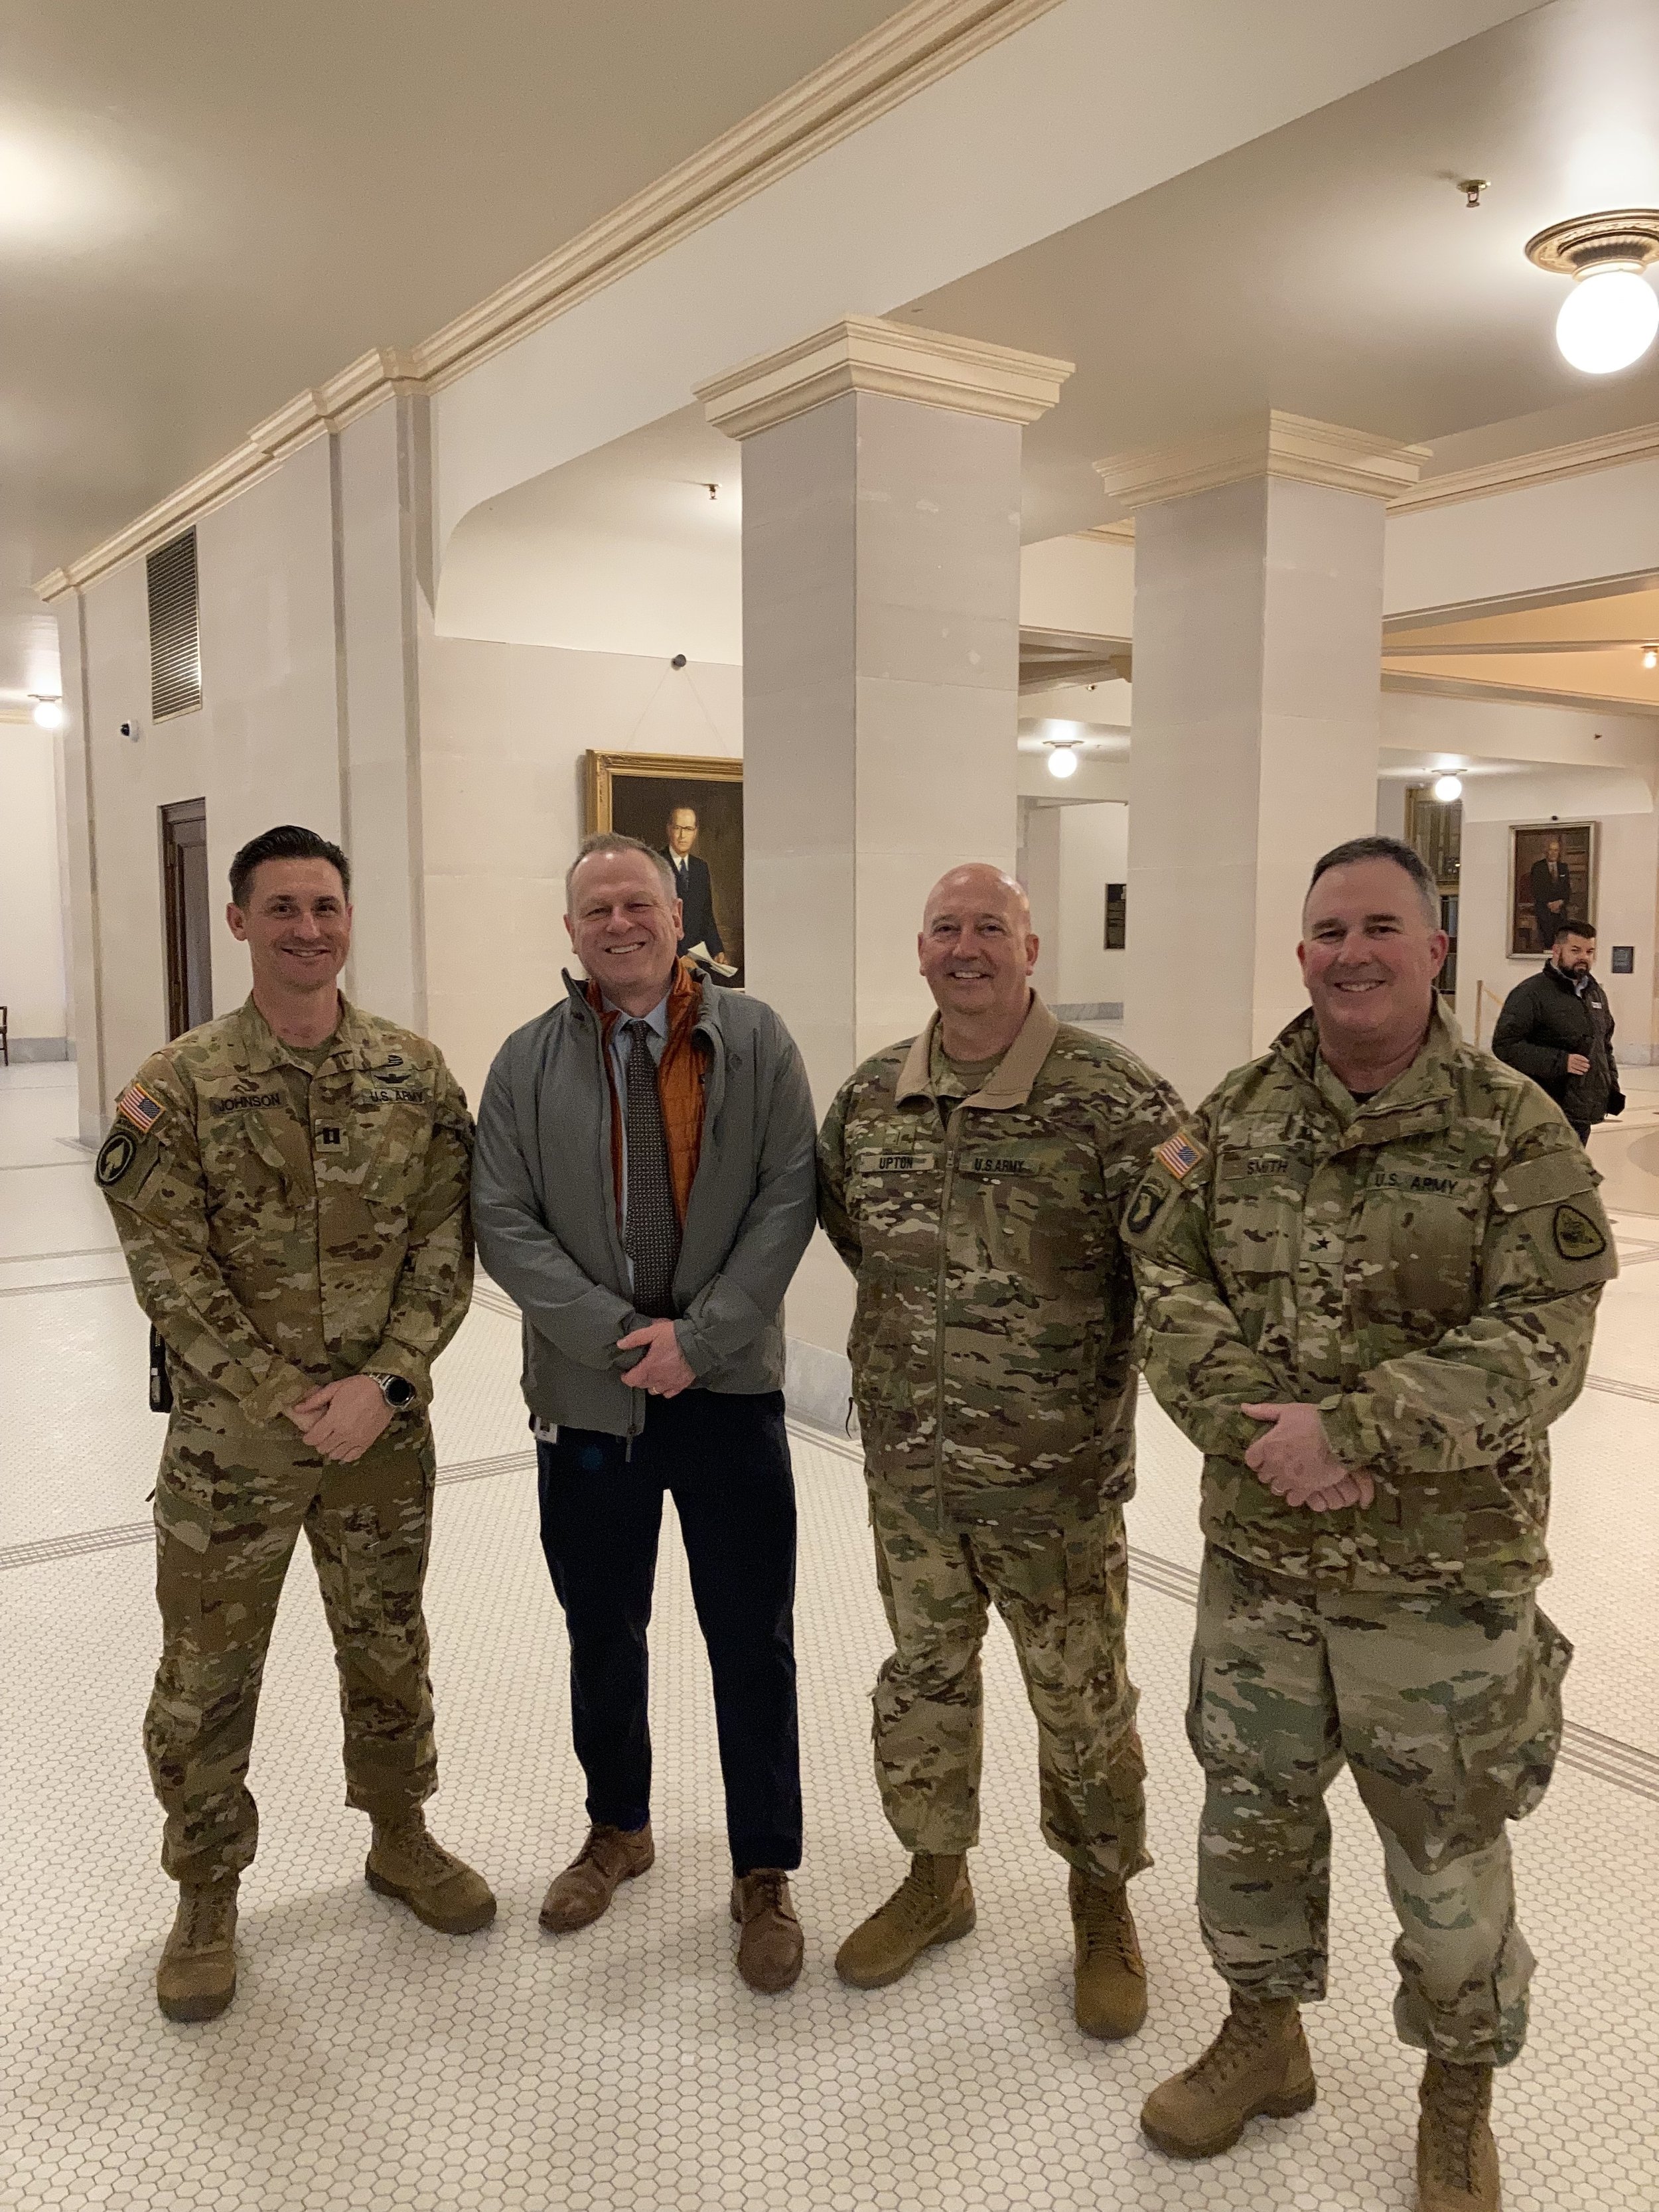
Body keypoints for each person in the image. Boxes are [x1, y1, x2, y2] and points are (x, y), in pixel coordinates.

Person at [1122, 835, 1615, 2212]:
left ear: (1433, 946)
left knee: (1445, 1847)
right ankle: (1262, 2036)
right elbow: (1163, 1281)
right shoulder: (1226, 1119)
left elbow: (1543, 1336)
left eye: (1380, 926)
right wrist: (1259, 1433)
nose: (1351, 951)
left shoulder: (1510, 1127)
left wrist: (1347, 1428)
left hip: (1438, 1581)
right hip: (1263, 1562)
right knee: (1249, 1814)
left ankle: (1455, 2096)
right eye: (1328, 929)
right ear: (1299, 953)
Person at [98, 824, 492, 2026]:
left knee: (387, 1644)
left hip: (382, 1433)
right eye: (281, 908)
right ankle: (206, 1889)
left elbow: (445, 1241)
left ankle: (400, 1834)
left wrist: (387, 1378)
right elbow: (167, 1265)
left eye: (326, 905)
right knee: (208, 1674)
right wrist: (283, 1395)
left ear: (349, 917)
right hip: (234, 1448)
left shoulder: (415, 1076)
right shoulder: (181, 1084)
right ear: (238, 923)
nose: (307, 928)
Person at [817, 863, 1183, 2037]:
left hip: (1055, 1485)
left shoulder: (1113, 1099)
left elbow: (1179, 1266)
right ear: (919, 948)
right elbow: (848, 1228)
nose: (965, 947)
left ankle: (1100, 1901)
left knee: (1080, 1699)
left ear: (1034, 945)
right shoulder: (873, 1097)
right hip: (911, 1475)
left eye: (990, 927)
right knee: (922, 1678)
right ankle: (936, 1877)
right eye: (945, 928)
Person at [472, 832, 817, 1991]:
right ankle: (618, 1824)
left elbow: (788, 1192)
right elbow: (503, 1220)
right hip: (589, 1400)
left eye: (638, 901)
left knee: (749, 1637)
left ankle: (764, 1865)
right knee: (602, 1627)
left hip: (727, 1394)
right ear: (570, 930)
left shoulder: (756, 1036)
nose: (618, 921)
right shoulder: (525, 1062)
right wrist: (622, 1341)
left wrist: (702, 1340)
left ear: (678, 914)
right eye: (595, 907)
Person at [1492, 918, 1624, 1144]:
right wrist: (1561, 1062)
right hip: (1544, 1110)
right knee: (1544, 1177)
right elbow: (1505, 1045)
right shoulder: (1530, 993)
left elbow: (1604, 1046)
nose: (1584, 957)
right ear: (1556, 950)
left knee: (1574, 1175)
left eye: (1590, 951)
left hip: (1580, 1109)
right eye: (1575, 950)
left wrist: (1611, 1088)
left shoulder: (1595, 994)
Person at [662, 804, 725, 967]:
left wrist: (717, 951)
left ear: (695, 832)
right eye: (678, 828)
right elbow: (656, 920)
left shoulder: (700, 867)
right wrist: (680, 956)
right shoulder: (656, 864)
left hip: (699, 958)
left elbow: (706, 915)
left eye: (688, 829)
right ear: (669, 829)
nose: (682, 835)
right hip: (667, 958)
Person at [1528, 835, 1571, 952]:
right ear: (1546, 851)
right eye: (1551, 850)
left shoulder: (1563, 868)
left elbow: (1567, 890)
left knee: (1562, 939)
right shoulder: (1538, 867)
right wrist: (1549, 904)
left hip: (1560, 911)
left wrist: (1561, 902)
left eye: (1556, 850)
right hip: (1544, 910)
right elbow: (1535, 889)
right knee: (1547, 939)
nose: (1553, 853)